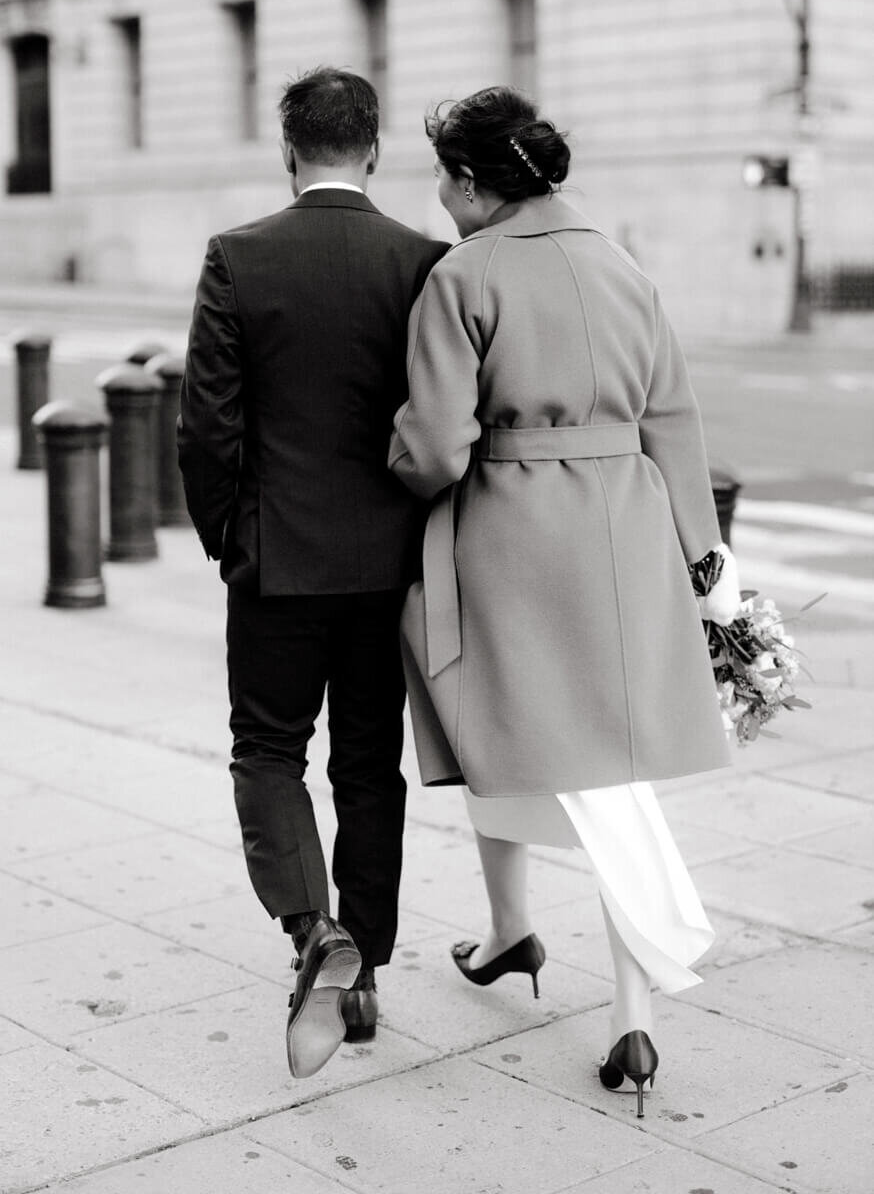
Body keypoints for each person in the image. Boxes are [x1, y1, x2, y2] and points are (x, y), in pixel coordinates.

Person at [388, 85, 740, 1119]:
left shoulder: (464, 274)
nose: (441, 201)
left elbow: (437, 445)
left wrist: (394, 462)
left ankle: (531, 935)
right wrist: (703, 553)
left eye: (442, 181)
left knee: (505, 729)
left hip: (513, 532)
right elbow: (673, 417)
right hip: (625, 529)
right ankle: (600, 995)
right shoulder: (623, 264)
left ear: (466, 180)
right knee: (609, 764)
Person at [178, 66, 449, 1080]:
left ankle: (310, 931)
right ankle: (365, 966)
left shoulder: (238, 257)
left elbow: (207, 423)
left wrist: (227, 538)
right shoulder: (421, 261)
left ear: (286, 149)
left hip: (276, 560)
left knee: (266, 749)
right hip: (387, 565)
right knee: (368, 765)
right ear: (374, 149)